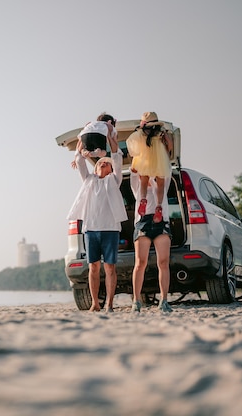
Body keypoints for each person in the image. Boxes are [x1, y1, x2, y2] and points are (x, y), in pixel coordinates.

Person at [67, 126, 127, 312]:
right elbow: (79, 159)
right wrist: (81, 138)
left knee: (109, 268)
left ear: (110, 169)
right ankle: (95, 303)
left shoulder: (114, 180)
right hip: (91, 230)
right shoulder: (89, 180)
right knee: (93, 268)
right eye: (100, 162)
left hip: (110, 229)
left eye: (105, 163)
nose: (102, 163)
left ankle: (109, 303)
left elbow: (117, 158)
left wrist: (110, 138)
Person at [129, 168, 173, 313]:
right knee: (140, 262)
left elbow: (166, 167)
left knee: (163, 262)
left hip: (161, 221)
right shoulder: (137, 183)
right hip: (143, 221)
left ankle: (164, 300)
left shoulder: (161, 181)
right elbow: (135, 171)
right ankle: (136, 301)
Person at [125, 112, 173, 223]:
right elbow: (169, 146)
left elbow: (132, 147)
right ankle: (159, 205)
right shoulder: (160, 133)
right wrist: (165, 136)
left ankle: (143, 199)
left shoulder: (140, 134)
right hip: (159, 160)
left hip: (144, 160)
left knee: (144, 181)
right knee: (161, 185)